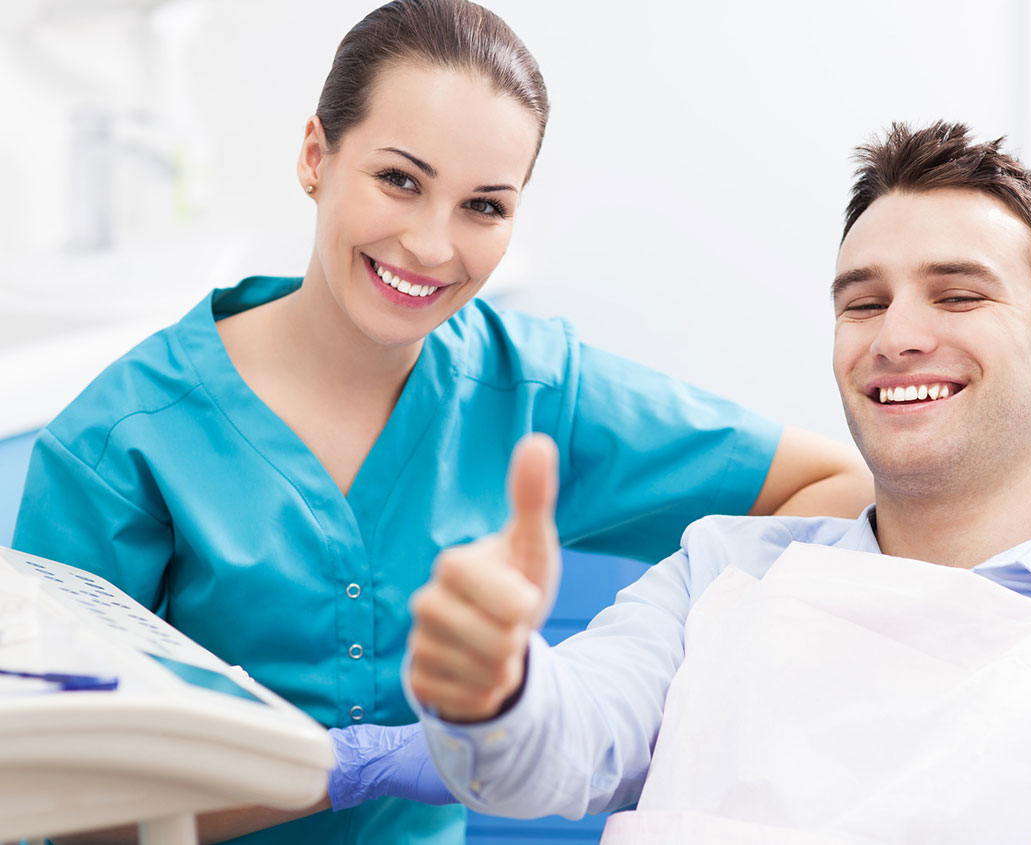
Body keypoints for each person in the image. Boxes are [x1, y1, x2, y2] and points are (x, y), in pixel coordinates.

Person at [11, 1, 871, 843]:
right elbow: (79, 805)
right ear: (316, 156)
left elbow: (836, 488)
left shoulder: (535, 389)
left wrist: (616, 671)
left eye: (484, 206)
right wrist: (350, 765)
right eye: (399, 179)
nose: (431, 244)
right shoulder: (117, 442)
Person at [405, 121, 1031, 843]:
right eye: (864, 302)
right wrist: (496, 687)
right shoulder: (724, 567)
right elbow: (564, 743)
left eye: (958, 295)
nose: (895, 337)